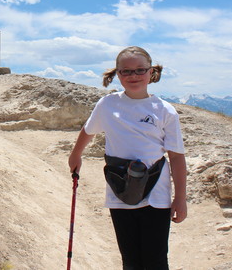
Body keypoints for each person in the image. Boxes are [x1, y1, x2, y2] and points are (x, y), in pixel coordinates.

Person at [68, 46, 187, 270]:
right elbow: (88, 130)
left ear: (151, 73)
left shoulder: (165, 111)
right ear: (117, 74)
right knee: (130, 259)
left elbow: (177, 156)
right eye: (126, 71)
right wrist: (75, 154)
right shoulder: (107, 104)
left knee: (155, 260)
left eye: (140, 70)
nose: (133, 76)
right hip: (120, 190)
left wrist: (180, 198)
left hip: (156, 194)